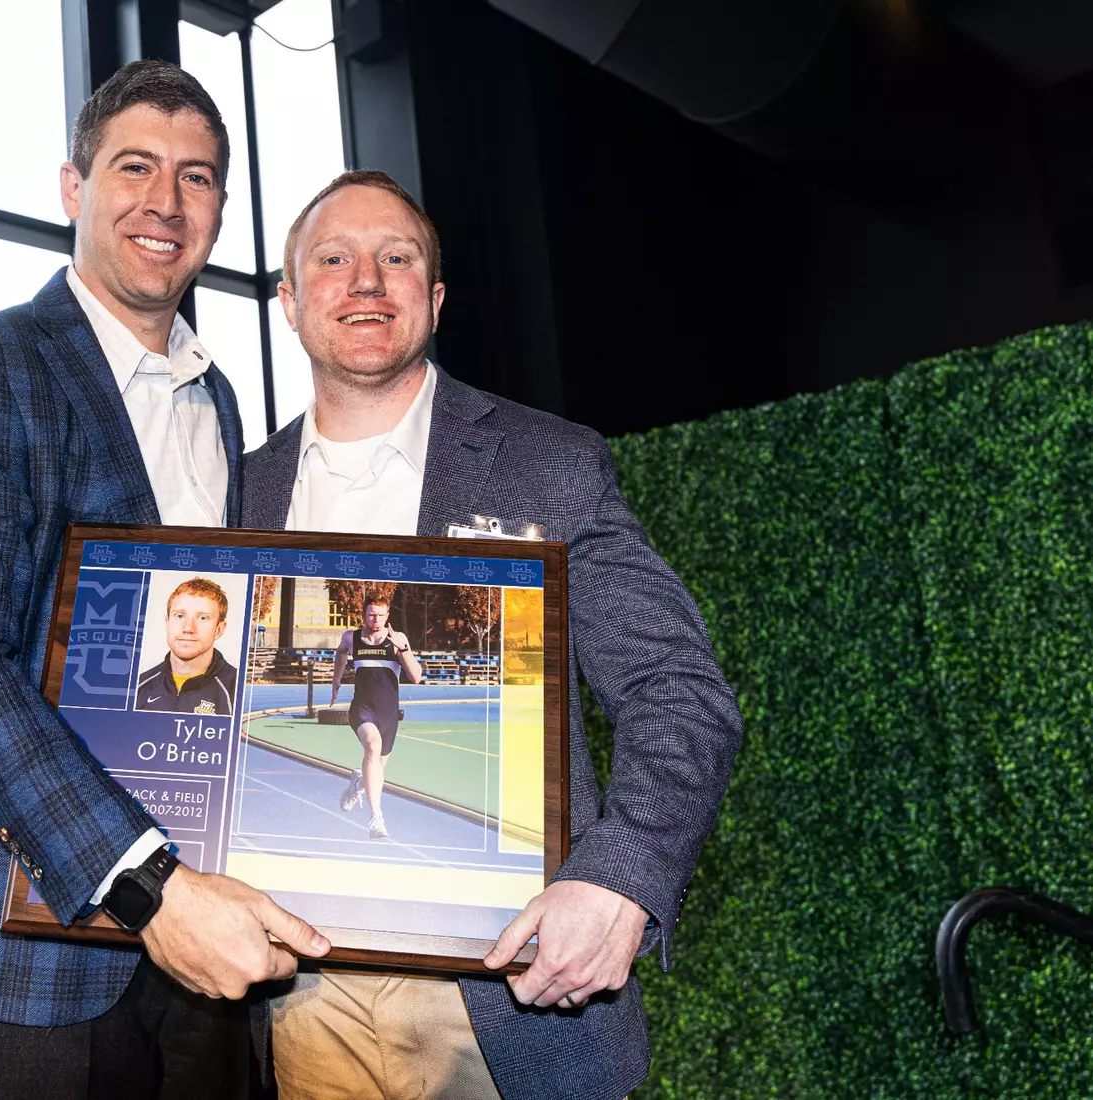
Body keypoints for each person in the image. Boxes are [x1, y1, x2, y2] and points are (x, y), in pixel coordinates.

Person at [0, 60, 328, 1100]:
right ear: (74, 188)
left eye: (198, 177)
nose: (166, 202)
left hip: (208, 939)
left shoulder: (217, 403)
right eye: (135, 167)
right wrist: (147, 886)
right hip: (28, 944)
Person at [242, 170, 742, 1100]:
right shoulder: (237, 492)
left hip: (511, 993)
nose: (366, 282)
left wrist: (620, 880)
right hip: (296, 997)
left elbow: (680, 691)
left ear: (432, 299)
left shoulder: (551, 464)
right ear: (290, 302)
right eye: (334, 259)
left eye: (397, 259)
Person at [329, 593, 423, 837]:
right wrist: (336, 681)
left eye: (381, 615)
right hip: (362, 708)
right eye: (371, 614)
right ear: (363, 614)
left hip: (389, 714)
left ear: (388, 615)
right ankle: (376, 818)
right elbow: (341, 653)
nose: (376, 619)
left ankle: (357, 785)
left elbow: (416, 676)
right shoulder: (351, 637)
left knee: (376, 771)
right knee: (372, 745)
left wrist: (403, 649)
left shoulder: (397, 639)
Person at [138, 577, 238, 715]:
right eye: (179, 616)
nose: (188, 628)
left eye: (203, 618)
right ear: (167, 622)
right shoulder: (138, 686)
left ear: (219, 630)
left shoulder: (237, 690)